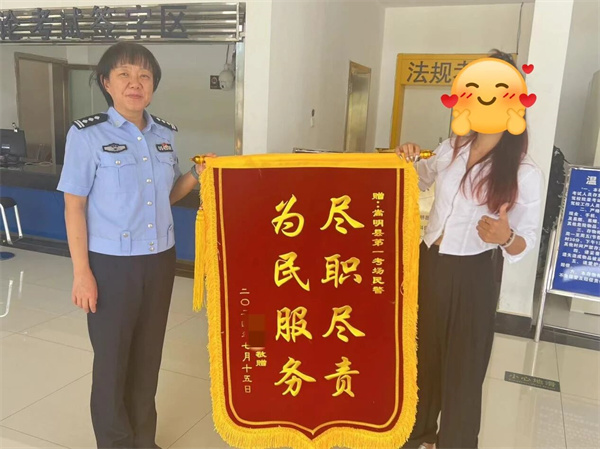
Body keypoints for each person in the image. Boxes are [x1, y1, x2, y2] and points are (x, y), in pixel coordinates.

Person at [58, 42, 212, 449]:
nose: (135, 83)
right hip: (111, 264)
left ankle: (144, 440)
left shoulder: (164, 134)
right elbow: (74, 206)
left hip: (159, 260)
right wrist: (82, 272)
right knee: (112, 362)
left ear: (153, 85)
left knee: (147, 357)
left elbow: (166, 196)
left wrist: (196, 174)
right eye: (124, 74)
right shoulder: (87, 135)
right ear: (106, 83)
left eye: (144, 76)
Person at [396, 50, 543, 449]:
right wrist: (408, 156)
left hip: (473, 274)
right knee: (421, 356)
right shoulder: (451, 149)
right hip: (431, 263)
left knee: (463, 368)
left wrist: (505, 237)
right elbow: (418, 179)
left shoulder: (524, 171)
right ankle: (416, 434)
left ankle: (455, 442)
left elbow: (525, 242)